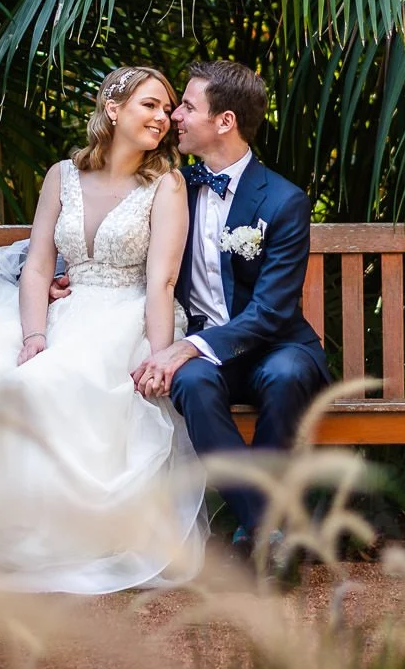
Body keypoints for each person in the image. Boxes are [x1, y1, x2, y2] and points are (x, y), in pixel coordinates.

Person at [0, 67, 205, 593]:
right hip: (60, 311)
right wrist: (33, 335)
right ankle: (5, 540)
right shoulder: (61, 176)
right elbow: (39, 267)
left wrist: (158, 357)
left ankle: (62, 545)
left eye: (167, 109)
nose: (163, 118)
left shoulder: (167, 185)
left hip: (127, 316)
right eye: (150, 106)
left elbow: (161, 282)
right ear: (113, 110)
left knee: (47, 387)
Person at [127, 60, 331, 554]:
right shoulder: (174, 189)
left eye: (188, 107)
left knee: (285, 375)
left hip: (273, 344)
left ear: (225, 122)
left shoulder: (283, 202)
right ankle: (266, 526)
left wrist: (187, 347)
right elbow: (120, 242)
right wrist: (62, 276)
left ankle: (254, 528)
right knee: (192, 383)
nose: (175, 115)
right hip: (205, 357)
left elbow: (273, 312)